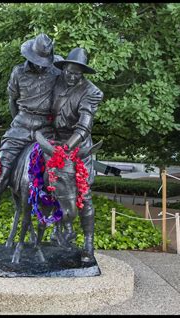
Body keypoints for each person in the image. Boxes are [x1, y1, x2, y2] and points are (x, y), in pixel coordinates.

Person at [0, 33, 61, 255]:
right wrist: (19, 125)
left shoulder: (57, 73)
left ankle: (58, 230)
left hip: (46, 131)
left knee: (60, 174)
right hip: (20, 126)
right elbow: (12, 102)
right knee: (1, 179)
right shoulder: (18, 72)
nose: (40, 66)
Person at [50, 47, 104, 262]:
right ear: (63, 69)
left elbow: (83, 127)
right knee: (52, 187)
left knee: (83, 194)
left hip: (77, 145)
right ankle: (58, 232)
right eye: (69, 72)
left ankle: (88, 243)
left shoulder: (92, 92)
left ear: (83, 74)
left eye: (77, 74)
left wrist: (67, 149)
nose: (72, 77)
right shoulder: (56, 82)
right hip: (54, 141)